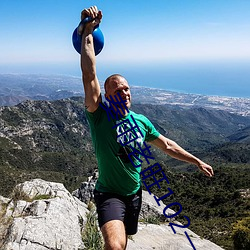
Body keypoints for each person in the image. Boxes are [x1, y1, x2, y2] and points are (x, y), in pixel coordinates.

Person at [79, 6, 214, 250]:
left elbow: (168, 145)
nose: (125, 92)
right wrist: (87, 31)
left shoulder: (141, 121)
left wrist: (196, 161)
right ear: (107, 96)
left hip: (134, 194)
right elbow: (89, 74)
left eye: (127, 88)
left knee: (125, 241)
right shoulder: (99, 116)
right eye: (117, 89)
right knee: (114, 246)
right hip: (109, 194)